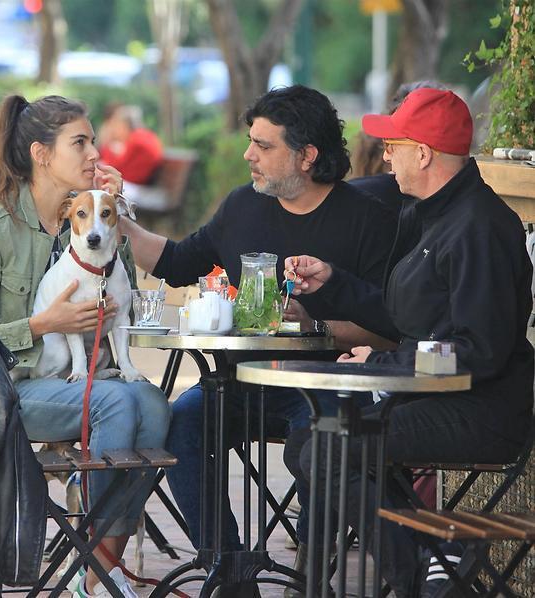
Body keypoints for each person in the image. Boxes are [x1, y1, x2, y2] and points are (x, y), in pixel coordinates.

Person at [119, 85, 398, 596]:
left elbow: (390, 327)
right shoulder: (243, 206)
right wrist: (116, 219)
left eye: (264, 146)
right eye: (251, 141)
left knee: (322, 434)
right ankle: (229, 568)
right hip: (241, 378)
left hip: (326, 380)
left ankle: (311, 573)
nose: (249, 154)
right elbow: (178, 262)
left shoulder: (367, 219)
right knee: (180, 422)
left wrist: (314, 325)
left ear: (307, 156)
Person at [284, 88, 534, 597]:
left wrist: (386, 360)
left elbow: (476, 349)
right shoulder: (434, 213)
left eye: (393, 144)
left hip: (481, 411)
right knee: (307, 443)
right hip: (434, 397)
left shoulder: (477, 228)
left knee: (328, 451)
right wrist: (334, 283)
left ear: (423, 153)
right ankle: (432, 560)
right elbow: (408, 316)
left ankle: (420, 574)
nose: (385, 155)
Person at [0, 94, 170, 598]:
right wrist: (40, 323)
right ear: (41, 153)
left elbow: (125, 302)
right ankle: (94, 576)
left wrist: (117, 220)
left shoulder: (93, 218)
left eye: (93, 140)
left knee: (154, 405)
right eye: (81, 142)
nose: (95, 152)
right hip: (7, 394)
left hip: (75, 380)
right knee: (116, 402)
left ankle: (98, 570)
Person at [98, 103, 163, 186]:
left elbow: (116, 164)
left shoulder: (136, 139)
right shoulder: (145, 135)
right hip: (137, 182)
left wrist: (107, 146)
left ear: (125, 125)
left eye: (117, 125)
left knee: (97, 181)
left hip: (135, 185)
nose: (114, 130)